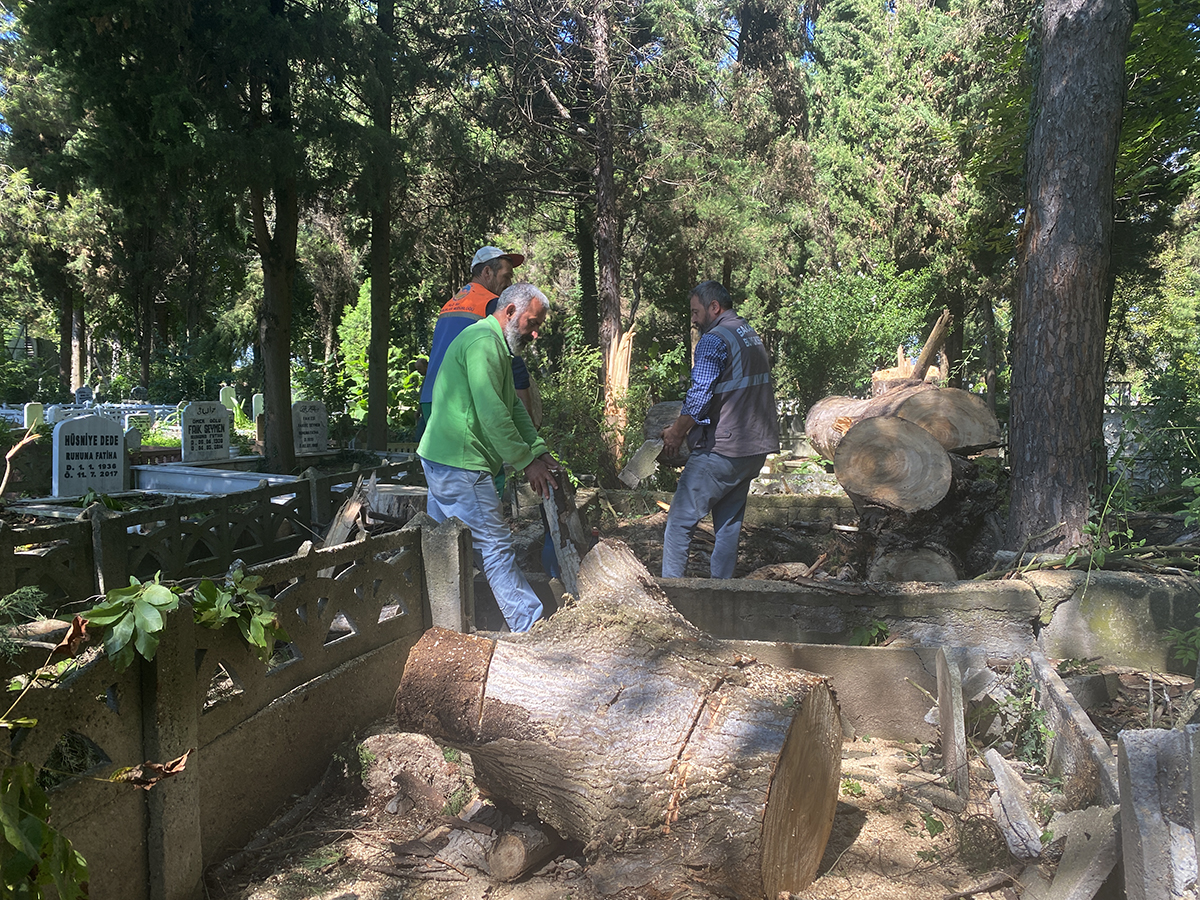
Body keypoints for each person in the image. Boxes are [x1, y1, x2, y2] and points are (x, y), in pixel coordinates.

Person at [417, 283, 560, 632]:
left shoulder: (494, 344)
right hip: (461, 463)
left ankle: (441, 625)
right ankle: (531, 627)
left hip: (442, 458)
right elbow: (493, 412)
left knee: (447, 547)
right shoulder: (483, 343)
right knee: (495, 547)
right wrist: (527, 463)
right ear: (510, 312)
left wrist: (538, 450)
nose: (535, 332)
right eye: (531, 322)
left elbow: (512, 407)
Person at [660, 280, 780, 579]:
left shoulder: (714, 340)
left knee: (678, 523)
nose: (693, 319)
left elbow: (700, 395)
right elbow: (731, 393)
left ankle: (669, 596)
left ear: (714, 308)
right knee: (728, 526)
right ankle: (721, 593)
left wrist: (676, 432)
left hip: (722, 450)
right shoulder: (749, 334)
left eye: (696, 311)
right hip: (753, 450)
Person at [418, 246, 524, 430]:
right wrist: (528, 416)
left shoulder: (449, 306)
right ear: (487, 272)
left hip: (431, 399)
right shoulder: (493, 304)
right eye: (506, 277)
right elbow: (513, 361)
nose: (509, 285)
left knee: (441, 458)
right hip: (462, 402)